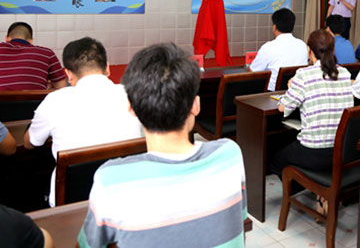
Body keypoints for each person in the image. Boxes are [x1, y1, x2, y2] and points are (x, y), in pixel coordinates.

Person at [78, 43, 247, 248]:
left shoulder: (110, 179)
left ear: (131, 108)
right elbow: (238, 220)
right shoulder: (230, 154)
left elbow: (88, 245)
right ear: (196, 106)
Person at [24, 37, 143, 207]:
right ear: (107, 68)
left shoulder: (54, 101)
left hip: (70, 204)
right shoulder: (134, 95)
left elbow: (31, 143)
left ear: (68, 74)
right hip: (127, 197)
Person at [269, 30, 354, 213]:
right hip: (340, 151)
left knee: (275, 160)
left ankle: (311, 189)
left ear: (309, 50)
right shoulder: (345, 73)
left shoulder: (304, 75)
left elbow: (283, 107)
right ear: (333, 49)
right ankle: (320, 193)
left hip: (313, 152)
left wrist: (291, 87)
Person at [250, 8, 309, 91]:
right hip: (298, 92)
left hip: (271, 94)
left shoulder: (268, 47)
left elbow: (252, 73)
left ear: (274, 27)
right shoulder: (302, 45)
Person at [0, 22, 67, 90]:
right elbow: (62, 87)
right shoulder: (47, 53)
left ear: (7, 38)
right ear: (31, 40)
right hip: (35, 97)